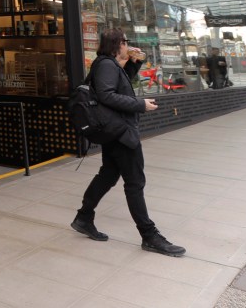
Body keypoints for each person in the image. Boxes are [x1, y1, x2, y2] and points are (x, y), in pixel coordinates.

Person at [70, 29, 186, 257]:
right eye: (125, 42)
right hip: (121, 133)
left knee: (107, 176)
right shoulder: (105, 65)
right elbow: (106, 95)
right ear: (116, 44)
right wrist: (140, 105)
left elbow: (120, 84)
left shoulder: (109, 65)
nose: (127, 45)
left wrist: (134, 63)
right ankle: (149, 236)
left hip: (115, 131)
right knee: (135, 183)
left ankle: (83, 217)